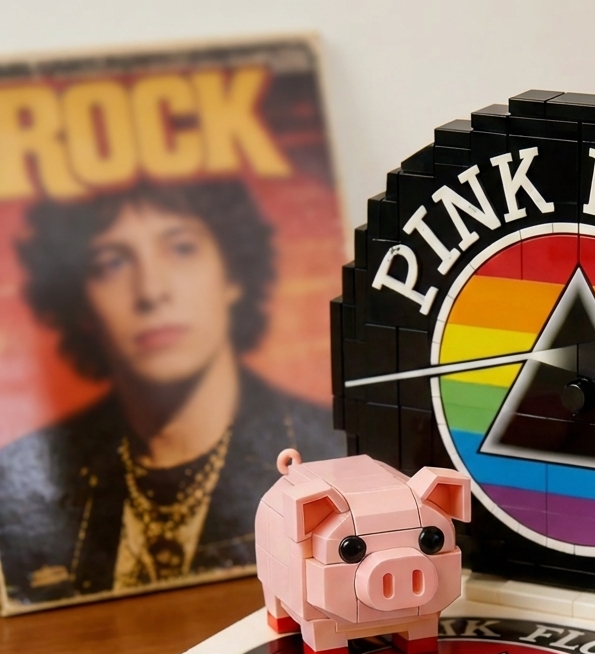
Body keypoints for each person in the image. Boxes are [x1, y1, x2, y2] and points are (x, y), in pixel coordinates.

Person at [0, 178, 341, 608]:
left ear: (233, 274)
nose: (151, 292)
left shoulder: (329, 456)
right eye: (111, 264)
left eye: (181, 249)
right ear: (81, 303)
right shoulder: (19, 476)